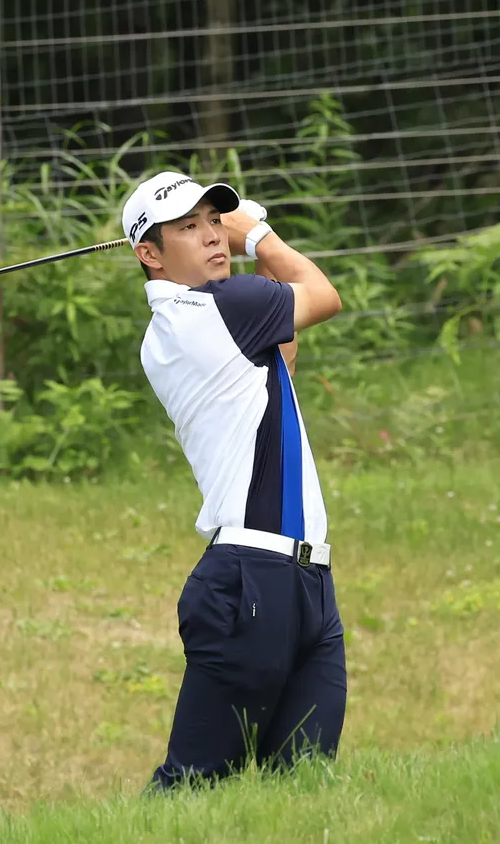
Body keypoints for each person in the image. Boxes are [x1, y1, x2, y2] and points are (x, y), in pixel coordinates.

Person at [120, 169, 346, 791]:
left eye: (216, 221)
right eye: (188, 228)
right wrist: (259, 234)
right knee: (190, 788)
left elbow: (284, 351)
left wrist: (250, 242)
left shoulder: (192, 322)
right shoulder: (221, 308)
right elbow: (323, 296)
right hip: (252, 579)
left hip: (304, 581)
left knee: (301, 793)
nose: (213, 236)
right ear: (150, 255)